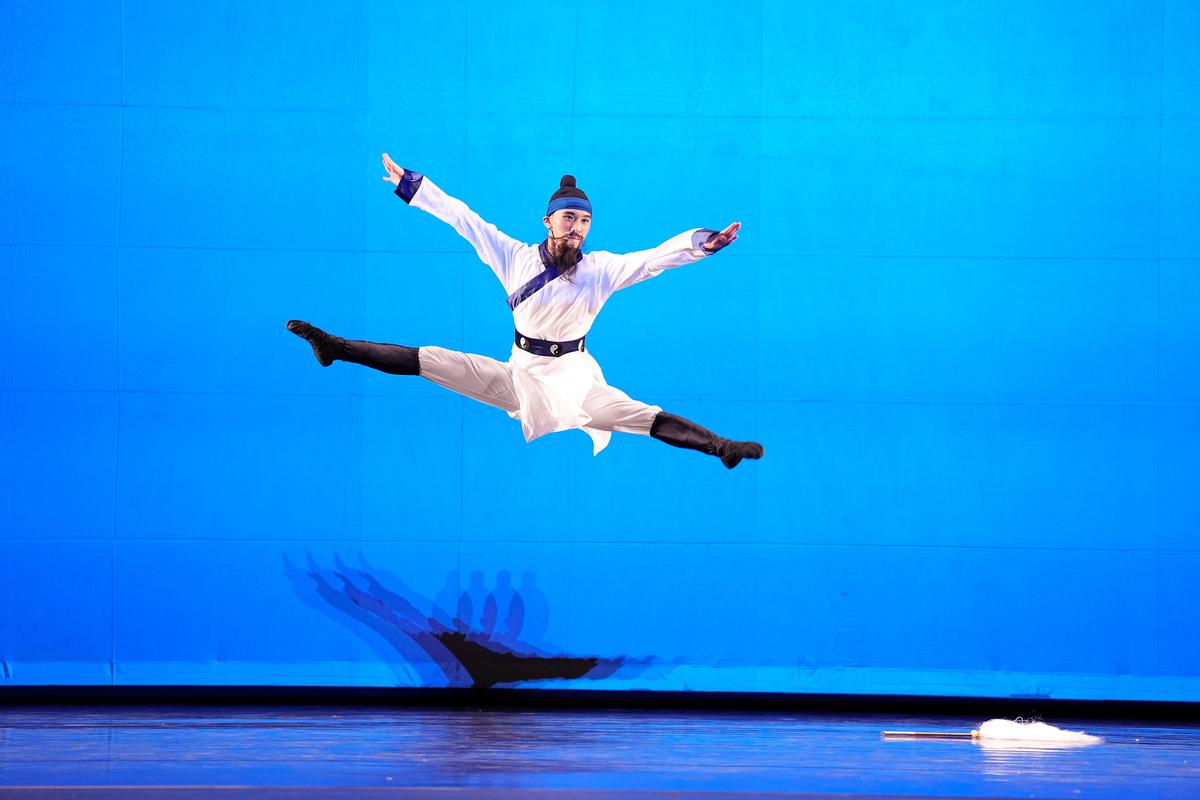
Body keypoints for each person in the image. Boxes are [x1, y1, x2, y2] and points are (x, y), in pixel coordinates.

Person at [286, 154, 763, 468]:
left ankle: (719, 446)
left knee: (638, 415)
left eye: (585, 221)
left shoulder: (601, 269)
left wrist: (704, 244)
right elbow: (463, 218)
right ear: (548, 220)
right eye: (570, 217)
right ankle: (335, 347)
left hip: (577, 378)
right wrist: (413, 185)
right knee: (432, 360)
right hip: (521, 374)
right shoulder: (513, 256)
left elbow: (655, 258)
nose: (577, 228)